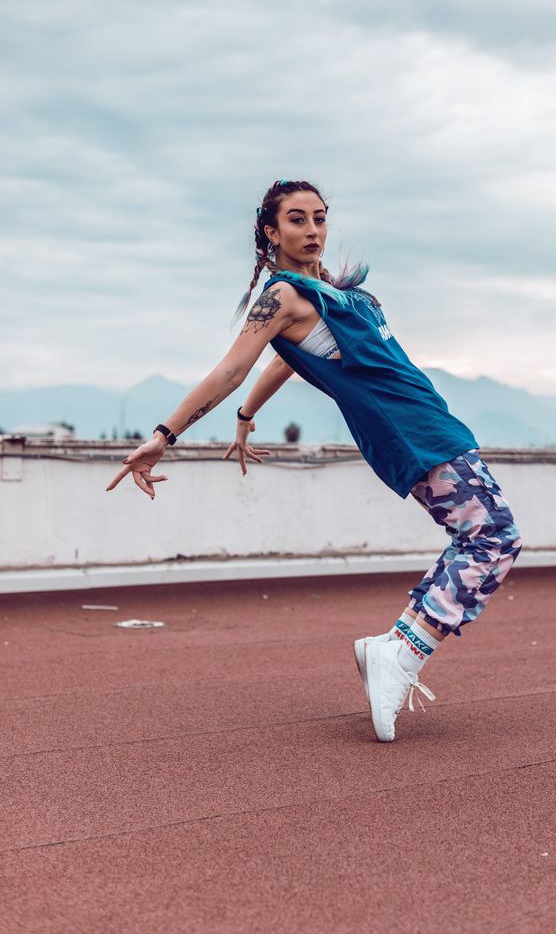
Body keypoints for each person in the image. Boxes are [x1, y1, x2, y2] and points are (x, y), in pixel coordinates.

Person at [106, 179, 523, 742]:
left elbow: (287, 363)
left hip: (430, 419)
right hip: (409, 430)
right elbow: (232, 367)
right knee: (494, 536)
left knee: (483, 536)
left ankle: (398, 647)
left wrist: (248, 415)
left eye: (320, 219)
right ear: (270, 232)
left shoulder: (337, 296)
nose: (313, 231)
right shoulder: (281, 297)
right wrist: (166, 433)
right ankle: (402, 649)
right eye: (297, 220)